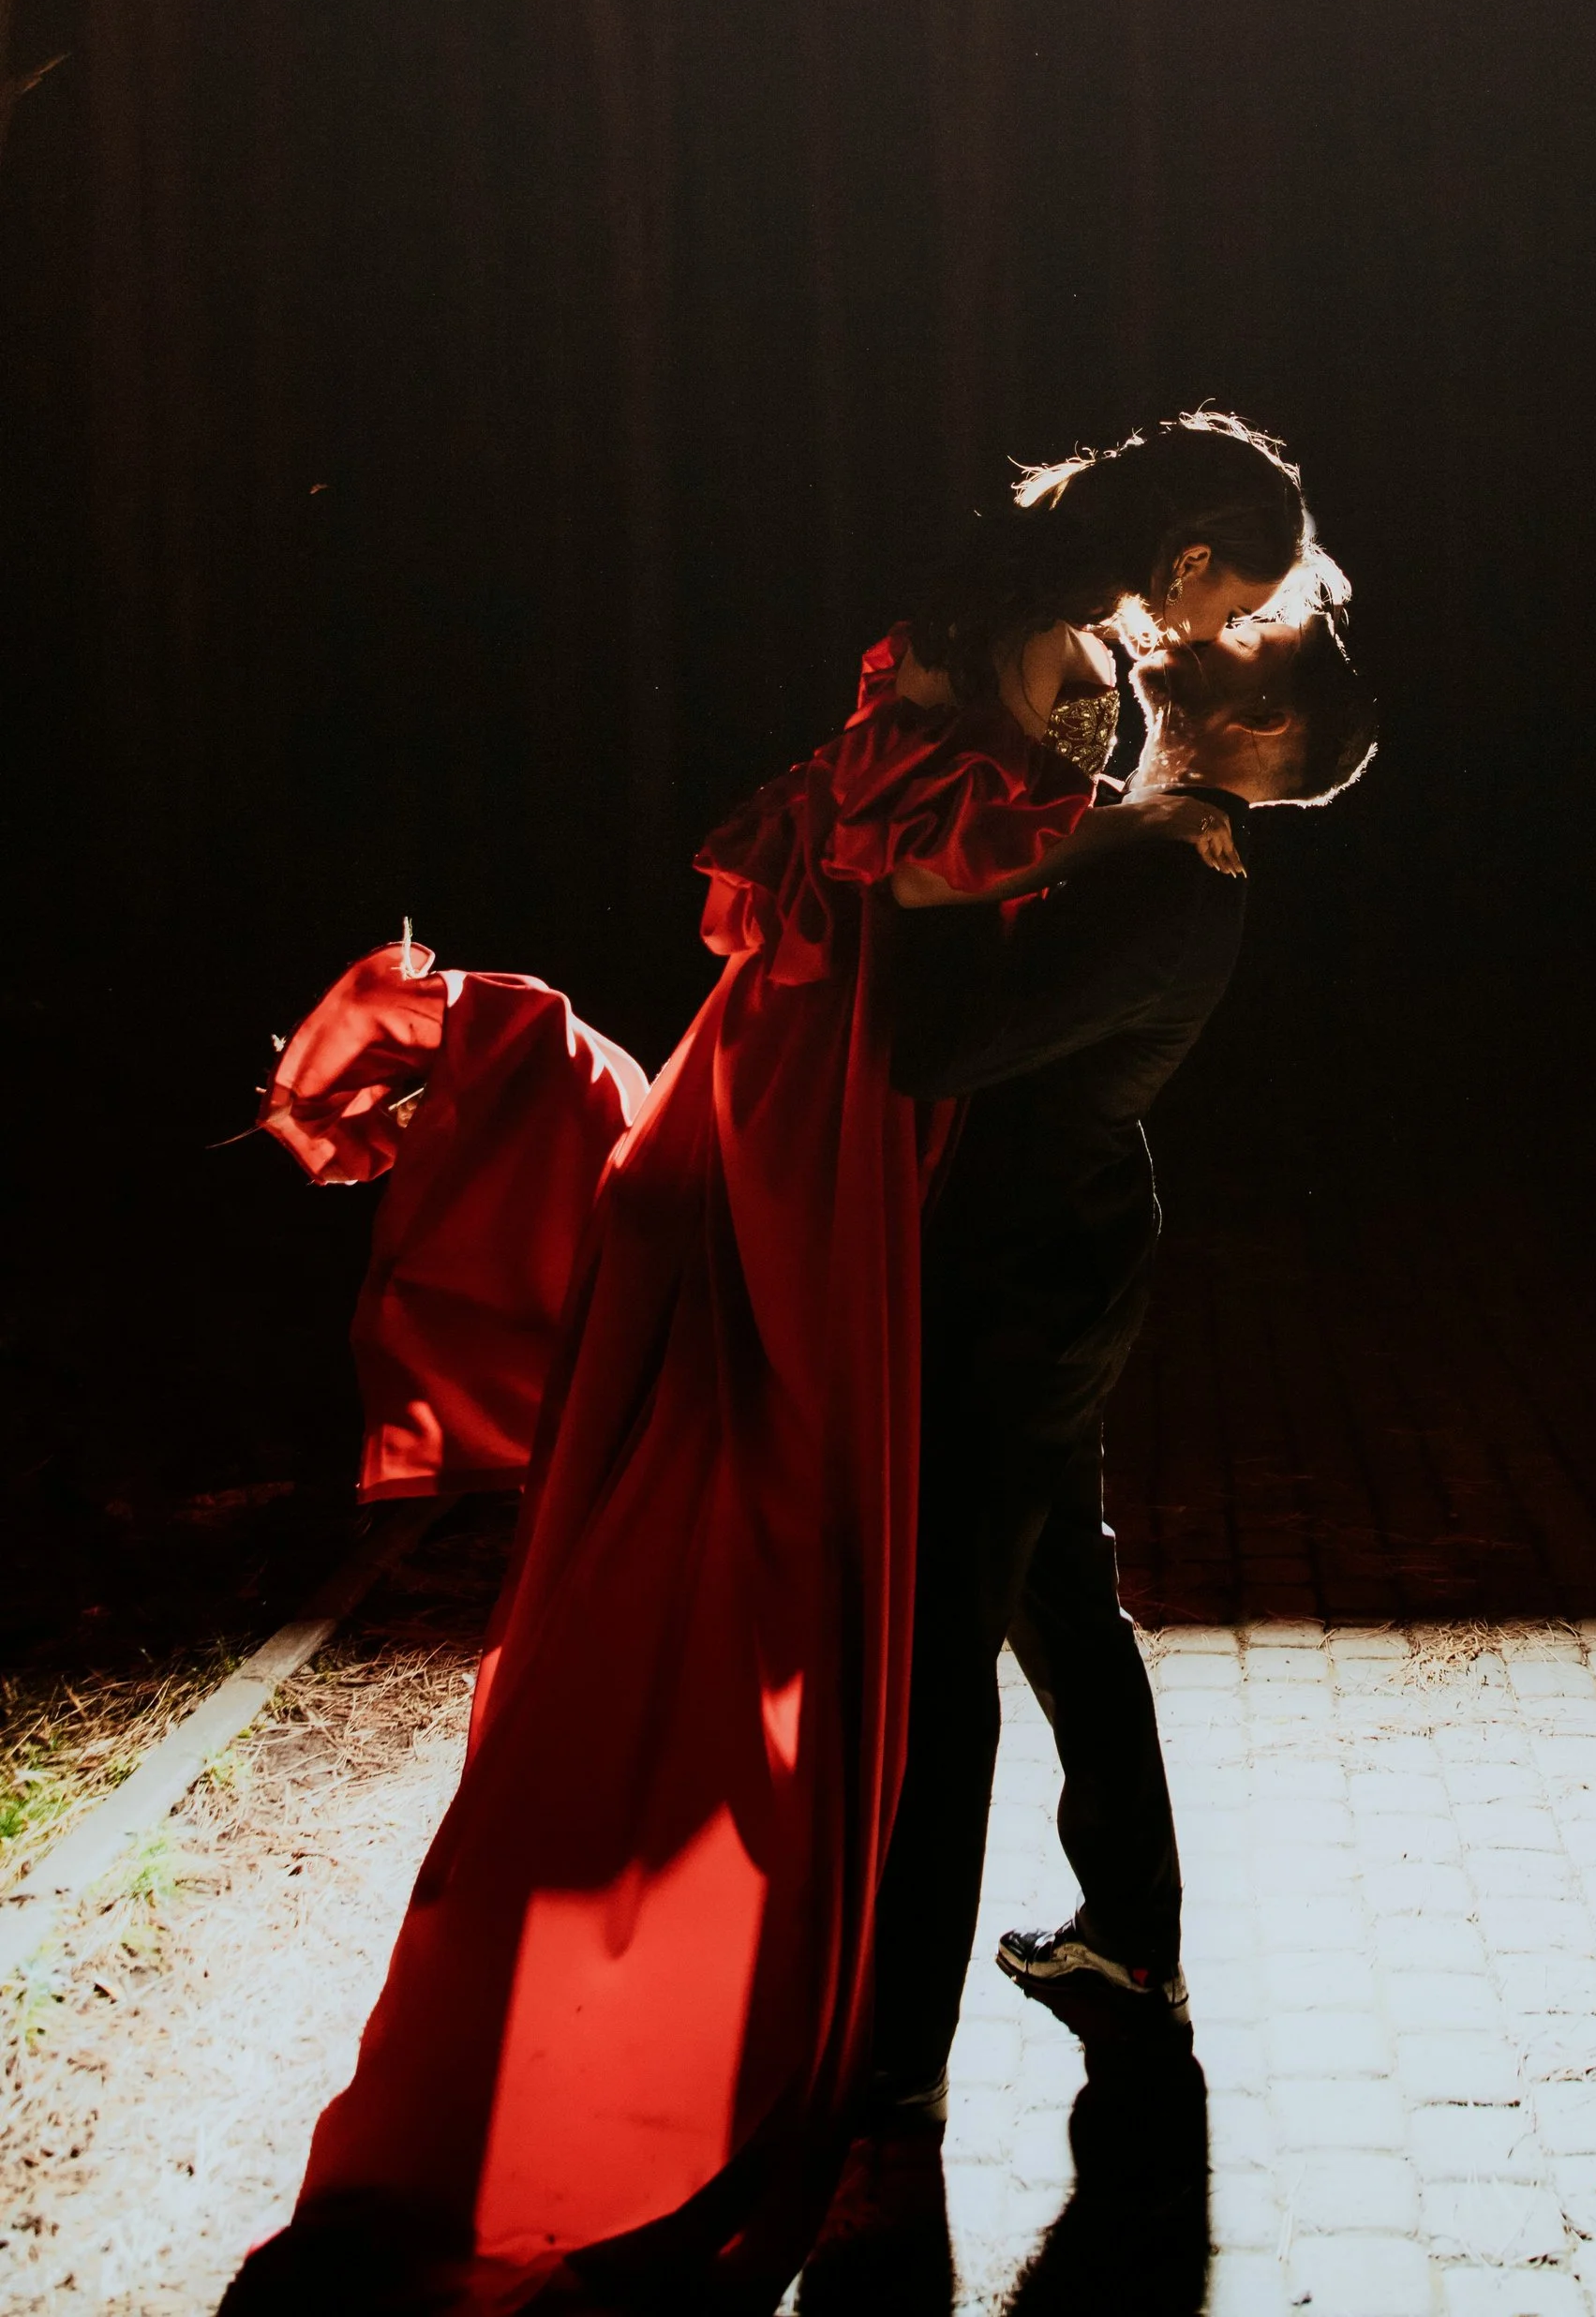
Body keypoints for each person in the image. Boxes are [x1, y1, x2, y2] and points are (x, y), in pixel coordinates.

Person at [224, 413, 1341, 2316]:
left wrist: (1039, 843)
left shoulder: (1052, 664)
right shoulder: (1039, 659)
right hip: (857, 1111)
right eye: (1235, 592)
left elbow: (944, 906)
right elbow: (915, 920)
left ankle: (959, 2019)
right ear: (1184, 555)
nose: (1221, 631)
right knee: (966, 1580)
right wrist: (1019, 846)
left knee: (994, 1580)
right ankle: (897, 2074)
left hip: (891, 1121)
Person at [799, 610, 1380, 2313]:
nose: (1196, 634)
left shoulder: (1181, 879)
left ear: (1261, 724)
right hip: (1039, 1267)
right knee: (1063, 1604)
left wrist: (918, 884)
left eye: (1241, 638)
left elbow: (937, 1048)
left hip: (1024, 1289)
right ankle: (1131, 1942)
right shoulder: (1151, 833)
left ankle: (893, 2069)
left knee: (948, 1661)